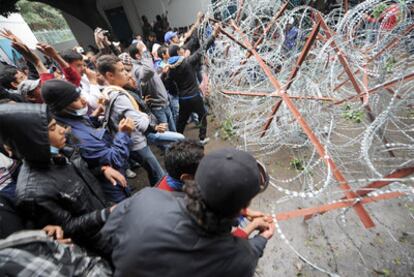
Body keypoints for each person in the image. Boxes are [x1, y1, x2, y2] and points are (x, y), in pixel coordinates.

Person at [96, 148, 274, 276]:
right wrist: (261, 238)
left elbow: (106, 236)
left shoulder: (147, 197)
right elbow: (233, 256)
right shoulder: (241, 259)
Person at [0, 103, 114, 249]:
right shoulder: (32, 192)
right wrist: (105, 214)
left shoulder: (61, 152)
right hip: (101, 242)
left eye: (57, 124)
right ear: (33, 140)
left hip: (111, 222)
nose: (62, 130)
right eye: (52, 128)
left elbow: (79, 175)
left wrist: (102, 170)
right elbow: (67, 228)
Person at [41, 79, 134, 203]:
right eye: (75, 100)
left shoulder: (70, 116)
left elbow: (85, 124)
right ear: (61, 107)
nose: (84, 100)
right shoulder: (74, 136)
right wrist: (123, 134)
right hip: (110, 186)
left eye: (80, 95)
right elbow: (114, 159)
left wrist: (97, 113)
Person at [96, 54, 166, 186]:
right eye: (122, 70)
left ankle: (156, 191)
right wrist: (144, 116)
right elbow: (139, 123)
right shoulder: (119, 96)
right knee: (159, 173)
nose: (127, 74)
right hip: (136, 143)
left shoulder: (107, 93)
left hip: (132, 142)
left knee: (153, 172)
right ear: (110, 75)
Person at [165, 24, 221, 144]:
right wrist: (213, 35)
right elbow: (202, 49)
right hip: (194, 97)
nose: (182, 49)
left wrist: (176, 93)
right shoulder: (187, 62)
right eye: (180, 49)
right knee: (202, 115)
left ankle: (177, 140)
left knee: (181, 121)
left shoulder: (170, 69)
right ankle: (201, 138)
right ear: (179, 52)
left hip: (183, 98)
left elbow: (169, 85)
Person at [129, 40, 176, 131]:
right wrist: (145, 53)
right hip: (157, 106)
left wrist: (160, 72)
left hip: (163, 102)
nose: (147, 52)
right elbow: (149, 71)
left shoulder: (144, 64)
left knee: (173, 131)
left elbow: (152, 77)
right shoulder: (136, 69)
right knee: (167, 135)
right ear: (138, 55)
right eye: (143, 50)